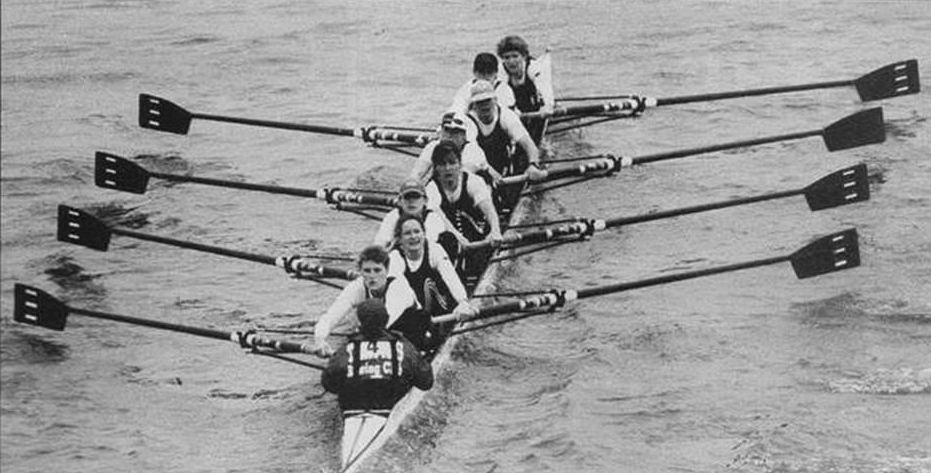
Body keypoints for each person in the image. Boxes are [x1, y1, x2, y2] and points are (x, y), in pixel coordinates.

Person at [312, 245, 432, 356]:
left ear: (387, 269)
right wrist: (320, 339)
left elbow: (385, 323)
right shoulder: (357, 287)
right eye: (367, 271)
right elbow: (331, 316)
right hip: (383, 336)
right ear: (360, 272)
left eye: (377, 270)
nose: (372, 276)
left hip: (411, 333)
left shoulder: (398, 288)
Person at [321, 299, 434, 411]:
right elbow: (426, 382)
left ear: (359, 323)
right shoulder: (402, 346)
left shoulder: (348, 348)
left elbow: (329, 383)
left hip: (355, 407)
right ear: (387, 320)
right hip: (391, 404)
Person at [426, 141, 503, 277]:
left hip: (478, 235)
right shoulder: (431, 189)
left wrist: (495, 230)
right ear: (436, 168)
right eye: (442, 164)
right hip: (453, 239)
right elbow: (441, 219)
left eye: (452, 162)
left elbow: (489, 210)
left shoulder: (474, 182)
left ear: (460, 164)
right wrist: (459, 239)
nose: (448, 168)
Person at [388, 213, 478, 321]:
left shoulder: (434, 249)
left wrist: (463, 302)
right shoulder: (395, 257)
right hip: (415, 310)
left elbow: (450, 277)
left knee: (428, 281)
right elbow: (402, 289)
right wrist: (420, 316)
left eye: (417, 231)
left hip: (442, 308)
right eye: (407, 233)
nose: (413, 237)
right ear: (399, 239)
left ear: (424, 234)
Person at [408, 111, 502, 188]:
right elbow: (416, 175)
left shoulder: (473, 152)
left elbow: (455, 184)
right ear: (441, 131)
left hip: (469, 190)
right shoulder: (432, 146)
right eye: (447, 130)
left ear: (464, 136)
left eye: (455, 132)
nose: (449, 136)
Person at [496, 35, 554, 142]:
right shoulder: (501, 71)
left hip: (536, 109)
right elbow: (499, 95)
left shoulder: (534, 68)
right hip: (515, 107)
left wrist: (545, 109)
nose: (511, 61)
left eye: (515, 56)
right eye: (507, 57)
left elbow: (545, 93)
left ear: (524, 56)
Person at [373, 179, 446, 249]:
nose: (411, 201)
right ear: (399, 202)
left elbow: (431, 247)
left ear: (425, 201)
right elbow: (380, 245)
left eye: (416, 197)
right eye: (407, 197)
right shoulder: (392, 216)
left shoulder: (433, 219)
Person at [450, 52, 516, 114]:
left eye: (489, 73)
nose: (485, 77)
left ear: (496, 73)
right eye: (481, 73)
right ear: (474, 73)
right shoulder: (467, 89)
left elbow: (508, 116)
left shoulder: (504, 90)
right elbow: (456, 110)